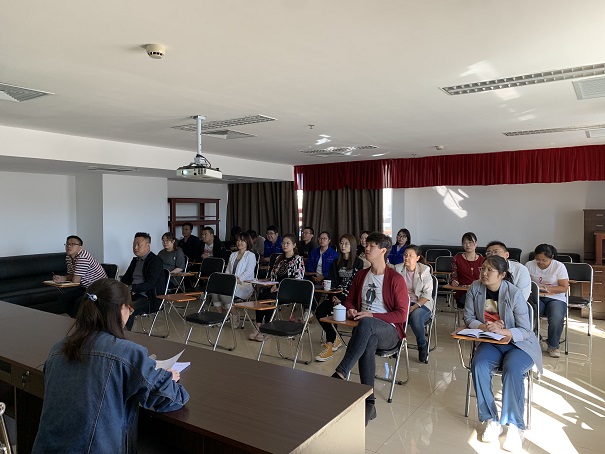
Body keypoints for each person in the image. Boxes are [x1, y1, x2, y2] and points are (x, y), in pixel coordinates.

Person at [31, 279, 189, 453]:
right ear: (121, 309)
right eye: (129, 309)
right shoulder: (128, 353)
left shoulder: (58, 349)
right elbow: (170, 399)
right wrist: (167, 377)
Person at [464, 255, 542, 451]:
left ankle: (515, 426)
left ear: (502, 275)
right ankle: (491, 419)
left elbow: (525, 330)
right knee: (479, 365)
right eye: (483, 268)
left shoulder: (513, 293)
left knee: (512, 369)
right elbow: (468, 317)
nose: (484, 273)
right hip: (491, 341)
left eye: (490, 270)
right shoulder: (475, 288)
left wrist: (504, 331)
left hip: (518, 344)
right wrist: (486, 327)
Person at [331, 232, 408, 426]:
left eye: (372, 246)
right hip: (366, 331)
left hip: (389, 331)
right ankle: (369, 403)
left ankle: (340, 373)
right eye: (366, 245)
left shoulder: (395, 279)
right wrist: (351, 309)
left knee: (366, 324)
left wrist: (372, 316)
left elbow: (401, 315)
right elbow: (349, 300)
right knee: (369, 340)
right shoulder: (361, 275)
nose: (366, 248)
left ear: (383, 250)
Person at [315, 233, 364, 362]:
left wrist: (341, 298)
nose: (343, 246)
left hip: (349, 298)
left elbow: (354, 284)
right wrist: (333, 295)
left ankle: (330, 343)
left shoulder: (358, 263)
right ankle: (334, 337)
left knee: (334, 311)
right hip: (335, 296)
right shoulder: (336, 261)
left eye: (346, 244)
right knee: (320, 311)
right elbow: (332, 280)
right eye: (341, 243)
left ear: (352, 246)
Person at [249, 234, 304, 341]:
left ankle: (268, 329)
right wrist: (265, 282)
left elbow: (298, 279)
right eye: (283, 243)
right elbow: (273, 276)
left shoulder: (298, 259)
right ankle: (259, 326)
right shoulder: (279, 258)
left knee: (270, 298)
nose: (285, 245)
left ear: (294, 245)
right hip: (275, 287)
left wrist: (279, 287)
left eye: (288, 243)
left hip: (289, 290)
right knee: (262, 295)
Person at [524, 244, 569, 358]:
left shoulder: (559, 266)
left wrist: (547, 289)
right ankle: (534, 339)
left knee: (556, 317)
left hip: (556, 298)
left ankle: (553, 346)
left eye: (544, 260)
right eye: (538, 259)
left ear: (551, 257)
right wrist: (537, 290)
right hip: (536, 297)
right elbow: (525, 283)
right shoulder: (529, 265)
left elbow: (564, 287)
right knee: (529, 314)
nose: (540, 262)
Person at [394, 245, 433, 363]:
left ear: (417, 258)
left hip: (422, 304)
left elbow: (427, 294)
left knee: (415, 317)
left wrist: (414, 307)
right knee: (394, 315)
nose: (406, 258)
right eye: (405, 255)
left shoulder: (424, 270)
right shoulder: (398, 268)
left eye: (410, 256)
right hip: (403, 303)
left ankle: (422, 344)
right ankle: (396, 343)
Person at [53, 235, 107, 317]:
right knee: (63, 298)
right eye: (67, 244)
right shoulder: (68, 257)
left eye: (73, 244)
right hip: (85, 287)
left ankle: (78, 321)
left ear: (80, 247)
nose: (69, 246)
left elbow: (75, 280)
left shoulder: (83, 257)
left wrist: (64, 278)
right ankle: (73, 319)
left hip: (98, 288)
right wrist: (61, 278)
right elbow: (72, 275)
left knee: (79, 302)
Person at [121, 232, 165, 331]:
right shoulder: (135, 261)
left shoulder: (155, 261)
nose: (135, 247)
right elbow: (126, 279)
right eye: (134, 244)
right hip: (132, 295)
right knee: (111, 305)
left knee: (127, 309)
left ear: (147, 246)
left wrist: (131, 288)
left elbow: (150, 284)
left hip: (148, 298)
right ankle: (110, 334)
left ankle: (123, 335)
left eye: (138, 245)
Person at [450, 232, 484, 308]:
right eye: (465, 243)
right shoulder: (456, 258)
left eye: (470, 242)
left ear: (476, 243)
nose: (468, 245)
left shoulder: (483, 260)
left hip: (479, 291)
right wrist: (454, 281)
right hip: (463, 291)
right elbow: (453, 276)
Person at [224, 232, 256, 301]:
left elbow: (248, 272)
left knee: (223, 292)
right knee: (215, 292)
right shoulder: (233, 255)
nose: (239, 242)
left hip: (243, 284)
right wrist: (227, 279)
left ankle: (229, 308)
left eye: (242, 241)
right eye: (238, 240)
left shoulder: (250, 255)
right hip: (231, 282)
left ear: (247, 242)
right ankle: (221, 308)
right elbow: (228, 270)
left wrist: (238, 280)